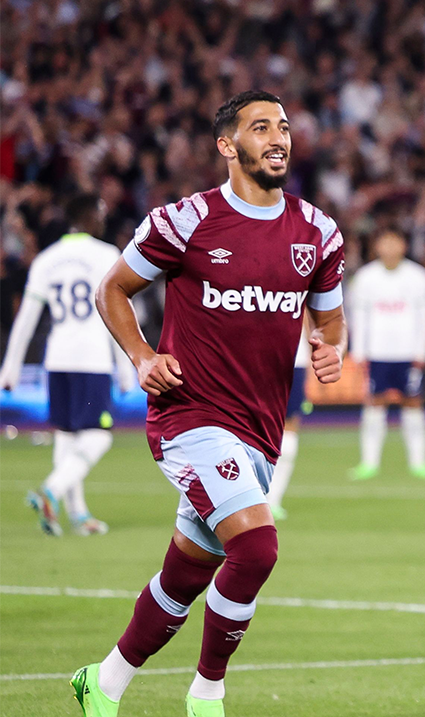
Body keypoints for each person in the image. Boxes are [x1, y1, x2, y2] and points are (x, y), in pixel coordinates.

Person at [72, 90, 347, 717]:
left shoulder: (318, 232)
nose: (278, 138)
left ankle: (103, 682)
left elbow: (330, 324)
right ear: (228, 146)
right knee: (257, 548)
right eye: (259, 128)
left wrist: (330, 350)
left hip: (260, 430)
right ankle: (208, 693)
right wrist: (142, 357)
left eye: (283, 126)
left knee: (185, 576)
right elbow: (113, 290)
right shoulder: (185, 222)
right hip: (189, 417)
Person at [0, 194, 134, 536]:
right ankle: (51, 491)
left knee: (67, 436)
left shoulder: (48, 259)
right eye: (101, 212)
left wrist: (10, 368)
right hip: (92, 359)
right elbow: (118, 315)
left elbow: (26, 319)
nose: (104, 218)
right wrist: (126, 365)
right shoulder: (106, 255)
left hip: (57, 358)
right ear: (90, 217)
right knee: (98, 438)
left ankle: (78, 515)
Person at [348, 228, 425, 479]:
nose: (389, 247)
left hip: (408, 352)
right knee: (374, 404)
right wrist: (359, 352)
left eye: (394, 241)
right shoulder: (366, 277)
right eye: (384, 242)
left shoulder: (417, 276)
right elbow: (359, 317)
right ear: (377, 246)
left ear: (403, 245)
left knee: (413, 403)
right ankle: (369, 462)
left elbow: (424, 317)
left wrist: (422, 352)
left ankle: (419, 462)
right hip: (377, 352)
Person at [264, 323, 313, 519]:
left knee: (289, 428)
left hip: (294, 360)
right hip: (254, 359)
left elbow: (313, 321)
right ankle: (254, 498)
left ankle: (273, 500)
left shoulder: (303, 291)